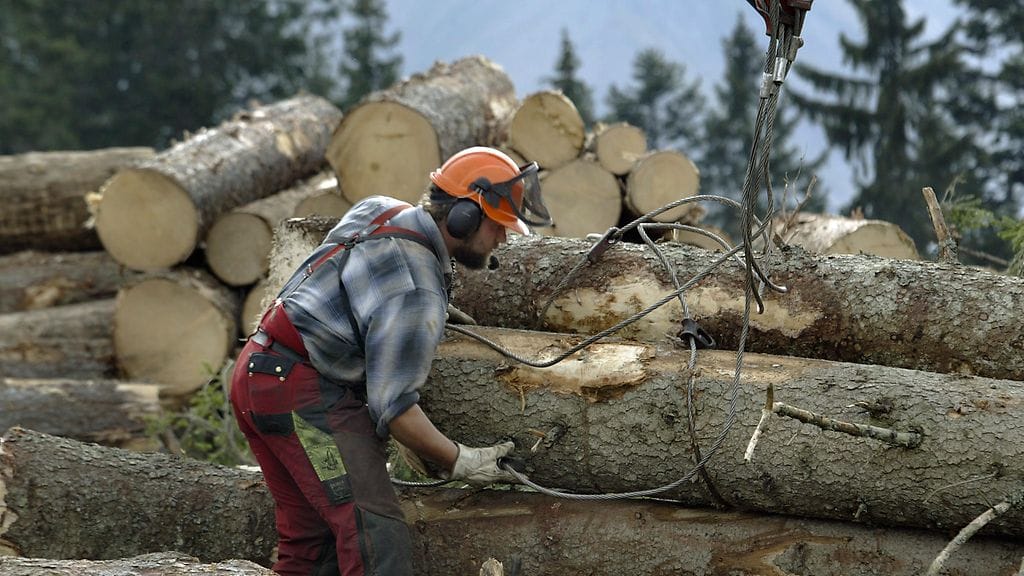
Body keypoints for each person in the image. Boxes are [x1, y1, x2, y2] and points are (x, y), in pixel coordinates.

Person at [229, 146, 552, 576]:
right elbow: (395, 409)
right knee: (376, 536)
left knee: (311, 542)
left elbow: (347, 272)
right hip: (300, 397)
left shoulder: (379, 209)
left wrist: (393, 311)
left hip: (256, 372)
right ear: (463, 217)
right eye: (497, 226)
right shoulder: (413, 293)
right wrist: (460, 459)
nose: (504, 238)